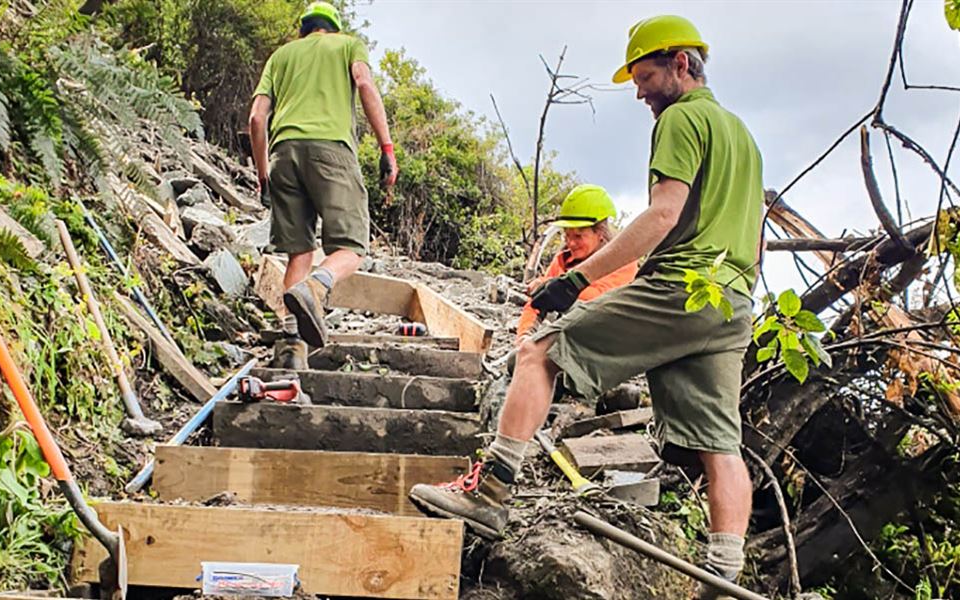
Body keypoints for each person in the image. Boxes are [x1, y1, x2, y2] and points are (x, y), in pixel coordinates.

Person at [410, 15, 764, 596]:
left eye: (646, 76)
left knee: (538, 352)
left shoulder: (683, 117)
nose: (640, 91)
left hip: (681, 286)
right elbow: (755, 239)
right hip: (732, 302)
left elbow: (661, 215)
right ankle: (724, 577)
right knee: (720, 445)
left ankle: (491, 493)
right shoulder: (743, 136)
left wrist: (576, 282)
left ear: (681, 63)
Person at [248, 1, 398, 367]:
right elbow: (364, 83)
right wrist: (387, 148)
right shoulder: (348, 44)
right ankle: (316, 286)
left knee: (298, 252)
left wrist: (263, 171)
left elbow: (256, 118)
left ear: (304, 29)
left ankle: (290, 351)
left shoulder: (281, 56)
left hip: (282, 155)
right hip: (331, 151)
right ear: (332, 27)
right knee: (351, 247)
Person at [516, 184, 637, 344]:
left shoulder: (623, 261)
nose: (571, 243)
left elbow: (596, 300)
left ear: (600, 233)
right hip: (570, 340)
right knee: (518, 359)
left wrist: (551, 285)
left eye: (579, 236)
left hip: (612, 345)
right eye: (567, 236)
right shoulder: (564, 261)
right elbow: (537, 301)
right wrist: (524, 336)